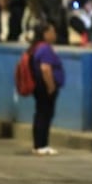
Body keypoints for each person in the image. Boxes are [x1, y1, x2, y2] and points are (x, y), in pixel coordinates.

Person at [29, 23, 63, 156]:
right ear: (45, 34)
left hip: (39, 86)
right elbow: (45, 68)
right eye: (52, 32)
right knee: (45, 114)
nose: (54, 35)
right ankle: (42, 144)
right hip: (44, 87)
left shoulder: (37, 48)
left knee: (40, 114)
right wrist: (51, 86)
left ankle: (39, 144)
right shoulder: (45, 49)